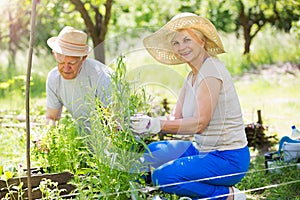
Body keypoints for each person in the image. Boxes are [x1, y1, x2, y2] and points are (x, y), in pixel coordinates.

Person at [130, 13, 250, 200]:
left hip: (227, 158)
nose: (181, 47)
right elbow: (175, 119)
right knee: (152, 152)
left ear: (202, 42)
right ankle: (145, 193)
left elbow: (200, 123)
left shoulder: (211, 70)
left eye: (187, 39)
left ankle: (227, 195)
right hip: (201, 150)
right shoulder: (191, 76)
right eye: (176, 43)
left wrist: (156, 125)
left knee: (164, 177)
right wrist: (142, 124)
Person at [45, 26, 112, 128]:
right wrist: (46, 137)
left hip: (109, 133)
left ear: (83, 58)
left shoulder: (101, 76)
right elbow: (51, 118)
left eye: (72, 63)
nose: (66, 68)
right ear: (54, 54)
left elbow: (116, 122)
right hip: (83, 134)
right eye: (61, 62)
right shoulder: (54, 78)